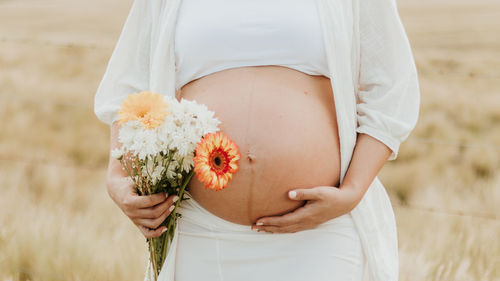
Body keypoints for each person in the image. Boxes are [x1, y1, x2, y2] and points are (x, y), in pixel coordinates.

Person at [94, 0, 420, 280]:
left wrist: (352, 192)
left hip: (317, 235)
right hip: (200, 232)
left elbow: (390, 87)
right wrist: (117, 176)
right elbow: (130, 85)